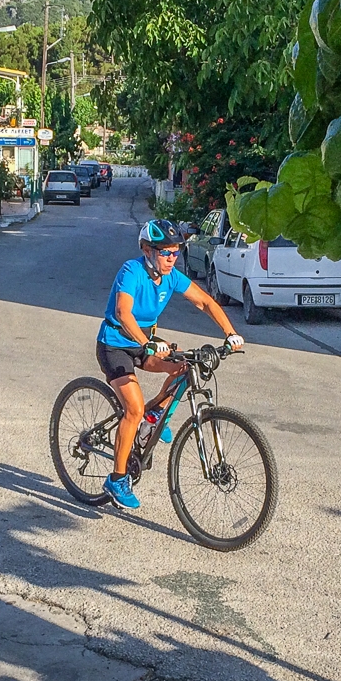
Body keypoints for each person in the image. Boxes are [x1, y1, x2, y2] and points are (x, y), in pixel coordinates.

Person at [96, 218, 245, 510]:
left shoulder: (172, 277)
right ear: (147, 250)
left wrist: (230, 333)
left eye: (176, 252)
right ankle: (117, 479)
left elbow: (205, 302)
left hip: (145, 343)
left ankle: (152, 416)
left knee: (184, 367)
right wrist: (146, 343)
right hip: (115, 345)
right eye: (165, 252)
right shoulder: (132, 271)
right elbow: (123, 313)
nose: (172, 258)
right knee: (133, 408)